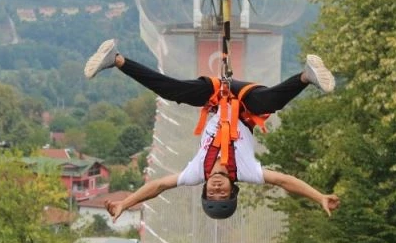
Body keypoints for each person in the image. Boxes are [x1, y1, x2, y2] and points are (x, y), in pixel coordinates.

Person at [83, 38, 340, 220]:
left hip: (214, 96)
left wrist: (125, 204)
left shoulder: (195, 173)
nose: (217, 189)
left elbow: (158, 186)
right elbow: (285, 181)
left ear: (205, 190)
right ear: (232, 189)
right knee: (270, 103)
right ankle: (306, 76)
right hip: (245, 102)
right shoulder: (247, 171)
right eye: (223, 194)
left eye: (213, 194)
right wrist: (319, 197)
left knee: (172, 91)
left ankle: (115, 59)